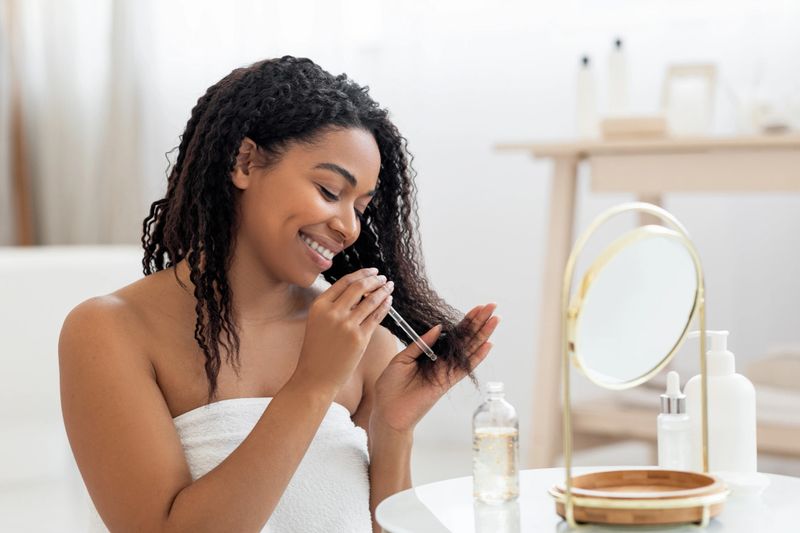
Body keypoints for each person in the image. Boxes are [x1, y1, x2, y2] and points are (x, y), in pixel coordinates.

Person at [59, 56, 499, 533]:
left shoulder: (363, 337)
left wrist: (392, 431)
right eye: (329, 190)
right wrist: (312, 384)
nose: (348, 226)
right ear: (245, 162)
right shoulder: (109, 330)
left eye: (361, 207)